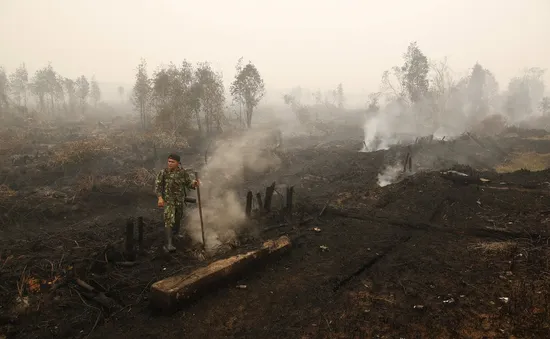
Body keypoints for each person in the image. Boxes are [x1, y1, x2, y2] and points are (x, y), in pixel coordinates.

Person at [154, 153, 199, 252]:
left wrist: (194, 184)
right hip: (168, 201)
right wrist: (160, 198)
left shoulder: (182, 173)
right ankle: (168, 244)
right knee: (169, 219)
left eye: (172, 162)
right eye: (169, 161)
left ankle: (176, 233)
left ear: (178, 163)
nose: (169, 163)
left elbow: (188, 183)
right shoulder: (164, 172)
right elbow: (157, 187)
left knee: (178, 217)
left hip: (179, 200)